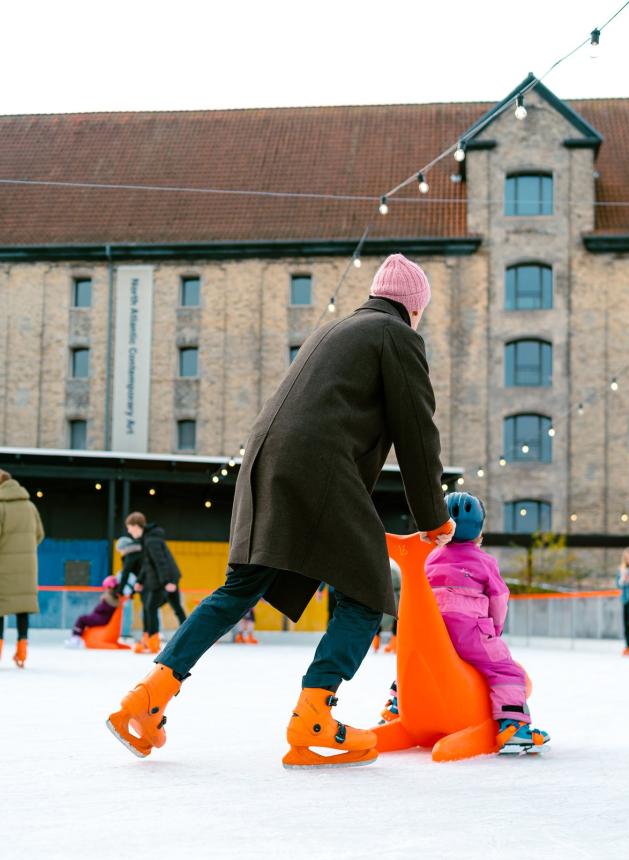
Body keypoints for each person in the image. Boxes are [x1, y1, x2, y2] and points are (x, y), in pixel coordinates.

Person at [107, 253, 455, 768]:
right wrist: (433, 517)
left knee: (240, 588)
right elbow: (417, 432)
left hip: (265, 463)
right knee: (366, 591)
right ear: (414, 308)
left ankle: (148, 696)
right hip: (318, 468)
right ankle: (316, 713)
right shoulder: (396, 335)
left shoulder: (334, 331)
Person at [425, 491, 550, 753]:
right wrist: (494, 629)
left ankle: (395, 706)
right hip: (471, 633)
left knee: (420, 663)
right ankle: (513, 726)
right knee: (507, 671)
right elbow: (499, 598)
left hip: (433, 632)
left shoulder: (430, 559)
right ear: (479, 533)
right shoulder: (485, 562)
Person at [0, 469, 44, 668]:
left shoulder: (1, 506)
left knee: (0, 609)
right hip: (27, 566)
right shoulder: (30, 506)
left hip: (3, 566)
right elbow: (39, 534)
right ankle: (22, 652)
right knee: (22, 609)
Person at [124, 512, 184, 654]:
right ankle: (150, 639)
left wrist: (168, 581)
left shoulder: (151, 540)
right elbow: (147, 563)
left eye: (129, 528)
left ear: (136, 526)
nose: (128, 531)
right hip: (162, 579)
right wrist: (139, 581)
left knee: (151, 607)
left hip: (164, 579)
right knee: (173, 608)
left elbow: (161, 561)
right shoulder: (147, 539)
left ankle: (153, 641)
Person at [65, 576, 121, 648]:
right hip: (101, 617)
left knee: (81, 619)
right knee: (84, 619)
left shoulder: (108, 597)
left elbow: (101, 609)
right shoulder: (114, 597)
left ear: (111, 587)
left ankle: (75, 639)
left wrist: (103, 600)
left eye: (106, 588)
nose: (105, 590)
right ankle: (77, 637)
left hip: (101, 619)